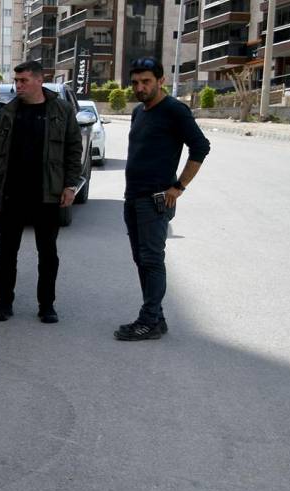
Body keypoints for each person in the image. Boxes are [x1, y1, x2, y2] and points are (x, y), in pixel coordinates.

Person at [115, 57, 210, 341]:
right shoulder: (138, 112)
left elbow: (201, 147)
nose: (140, 87)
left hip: (155, 200)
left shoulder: (174, 111)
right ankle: (157, 317)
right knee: (141, 259)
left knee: (151, 259)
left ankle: (149, 320)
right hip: (132, 197)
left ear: (161, 81)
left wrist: (179, 187)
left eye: (146, 82)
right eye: (135, 83)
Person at [0, 60, 83, 324]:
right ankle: (4, 303)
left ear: (40, 80)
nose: (18, 86)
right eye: (16, 81)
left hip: (47, 194)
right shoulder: (8, 113)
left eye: (23, 81)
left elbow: (74, 150)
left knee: (47, 253)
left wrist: (70, 185)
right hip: (11, 194)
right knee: (6, 253)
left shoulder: (61, 110)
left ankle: (47, 305)